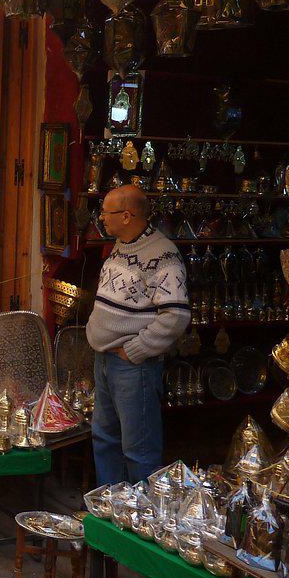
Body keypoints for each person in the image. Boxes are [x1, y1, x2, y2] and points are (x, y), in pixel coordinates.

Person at [86, 184, 190, 485]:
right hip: (106, 360)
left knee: (138, 449)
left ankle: (140, 521)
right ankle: (110, 511)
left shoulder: (163, 254)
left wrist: (135, 350)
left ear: (127, 216)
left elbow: (176, 315)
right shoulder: (122, 245)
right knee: (104, 438)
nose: (102, 218)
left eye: (106, 213)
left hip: (133, 366)